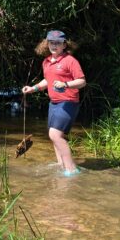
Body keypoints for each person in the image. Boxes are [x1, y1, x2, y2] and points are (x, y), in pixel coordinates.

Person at [22, 30, 86, 175]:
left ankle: (72, 170)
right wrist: (33, 88)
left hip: (68, 102)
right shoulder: (46, 62)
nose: (54, 45)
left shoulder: (70, 61)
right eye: (51, 42)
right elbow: (47, 80)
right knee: (56, 137)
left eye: (58, 43)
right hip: (54, 103)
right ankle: (61, 166)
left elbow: (82, 81)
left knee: (55, 135)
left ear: (64, 45)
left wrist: (66, 85)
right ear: (47, 44)